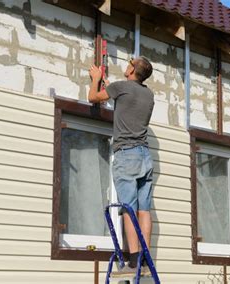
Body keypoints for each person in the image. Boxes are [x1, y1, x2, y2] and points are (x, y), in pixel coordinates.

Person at [88, 56, 155, 275]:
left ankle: (133, 262)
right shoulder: (148, 94)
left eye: (130, 63)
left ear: (133, 69)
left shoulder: (121, 88)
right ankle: (144, 260)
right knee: (144, 210)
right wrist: (111, 86)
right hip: (145, 156)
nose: (127, 65)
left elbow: (93, 97)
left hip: (127, 155)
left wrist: (96, 79)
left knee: (129, 209)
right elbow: (124, 100)